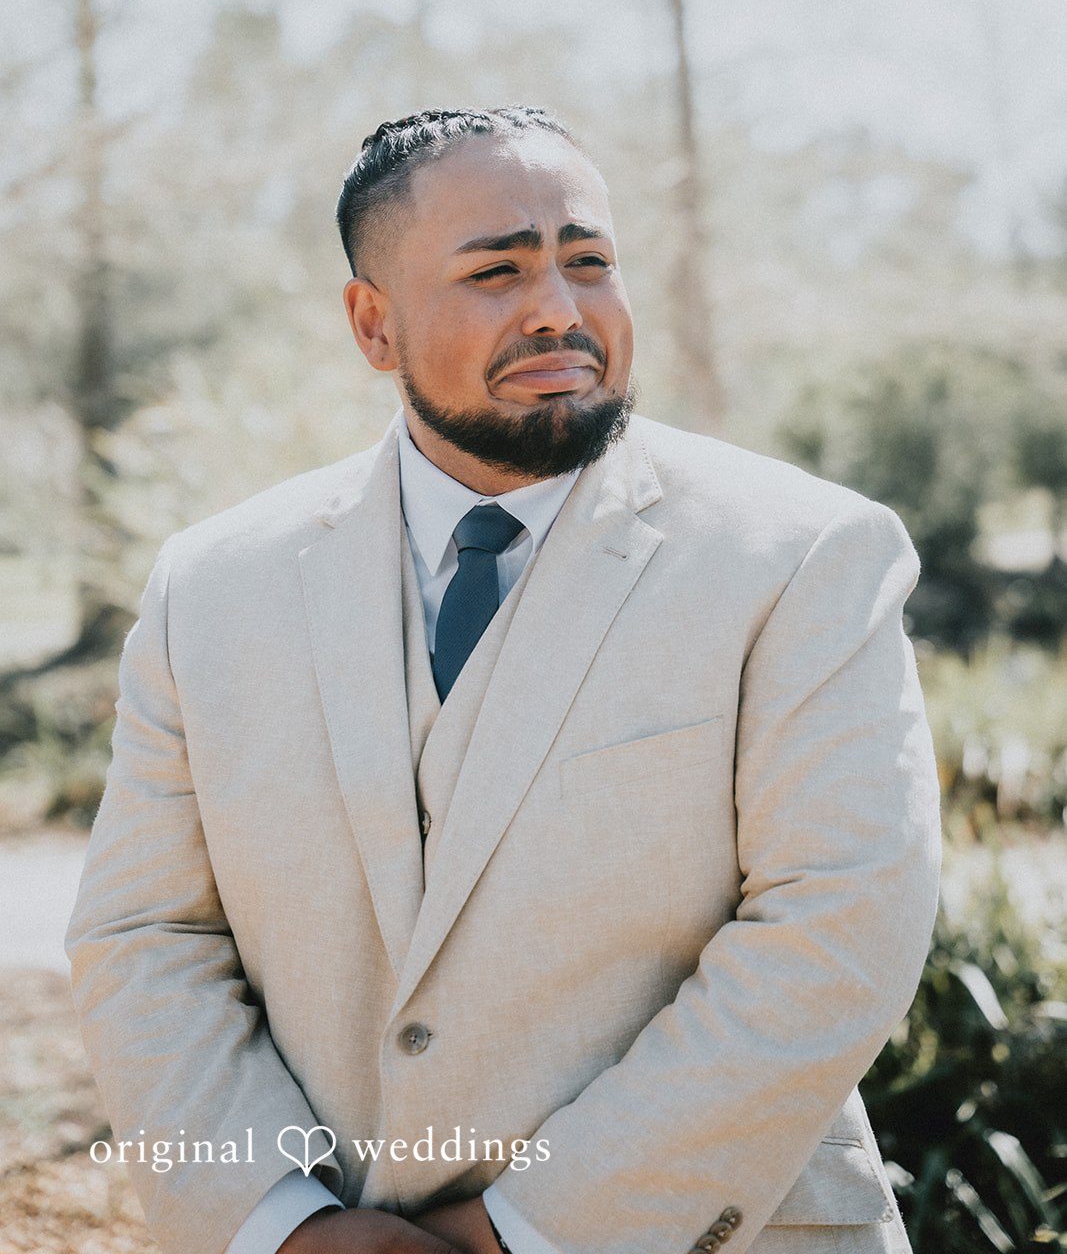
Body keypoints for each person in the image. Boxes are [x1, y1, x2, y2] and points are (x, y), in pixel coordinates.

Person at [65, 106, 942, 1254]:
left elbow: (838, 922)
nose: (558, 311)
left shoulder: (805, 553)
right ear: (371, 324)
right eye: (497, 271)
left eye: (588, 263)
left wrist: (529, 1228)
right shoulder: (211, 587)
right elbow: (145, 936)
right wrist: (280, 1224)